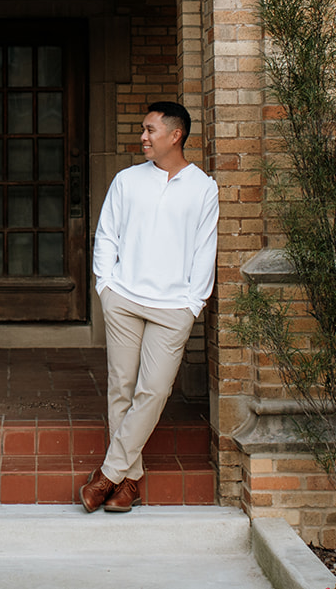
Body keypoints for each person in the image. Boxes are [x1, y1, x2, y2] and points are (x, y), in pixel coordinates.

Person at [81, 101, 219, 514]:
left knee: (154, 389)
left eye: (150, 130)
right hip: (123, 298)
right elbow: (107, 235)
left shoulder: (203, 187)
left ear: (175, 135)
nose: (143, 137)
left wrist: (193, 302)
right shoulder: (127, 180)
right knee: (122, 387)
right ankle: (129, 483)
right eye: (143, 130)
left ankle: (108, 474)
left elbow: (204, 248)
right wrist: (105, 284)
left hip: (173, 306)